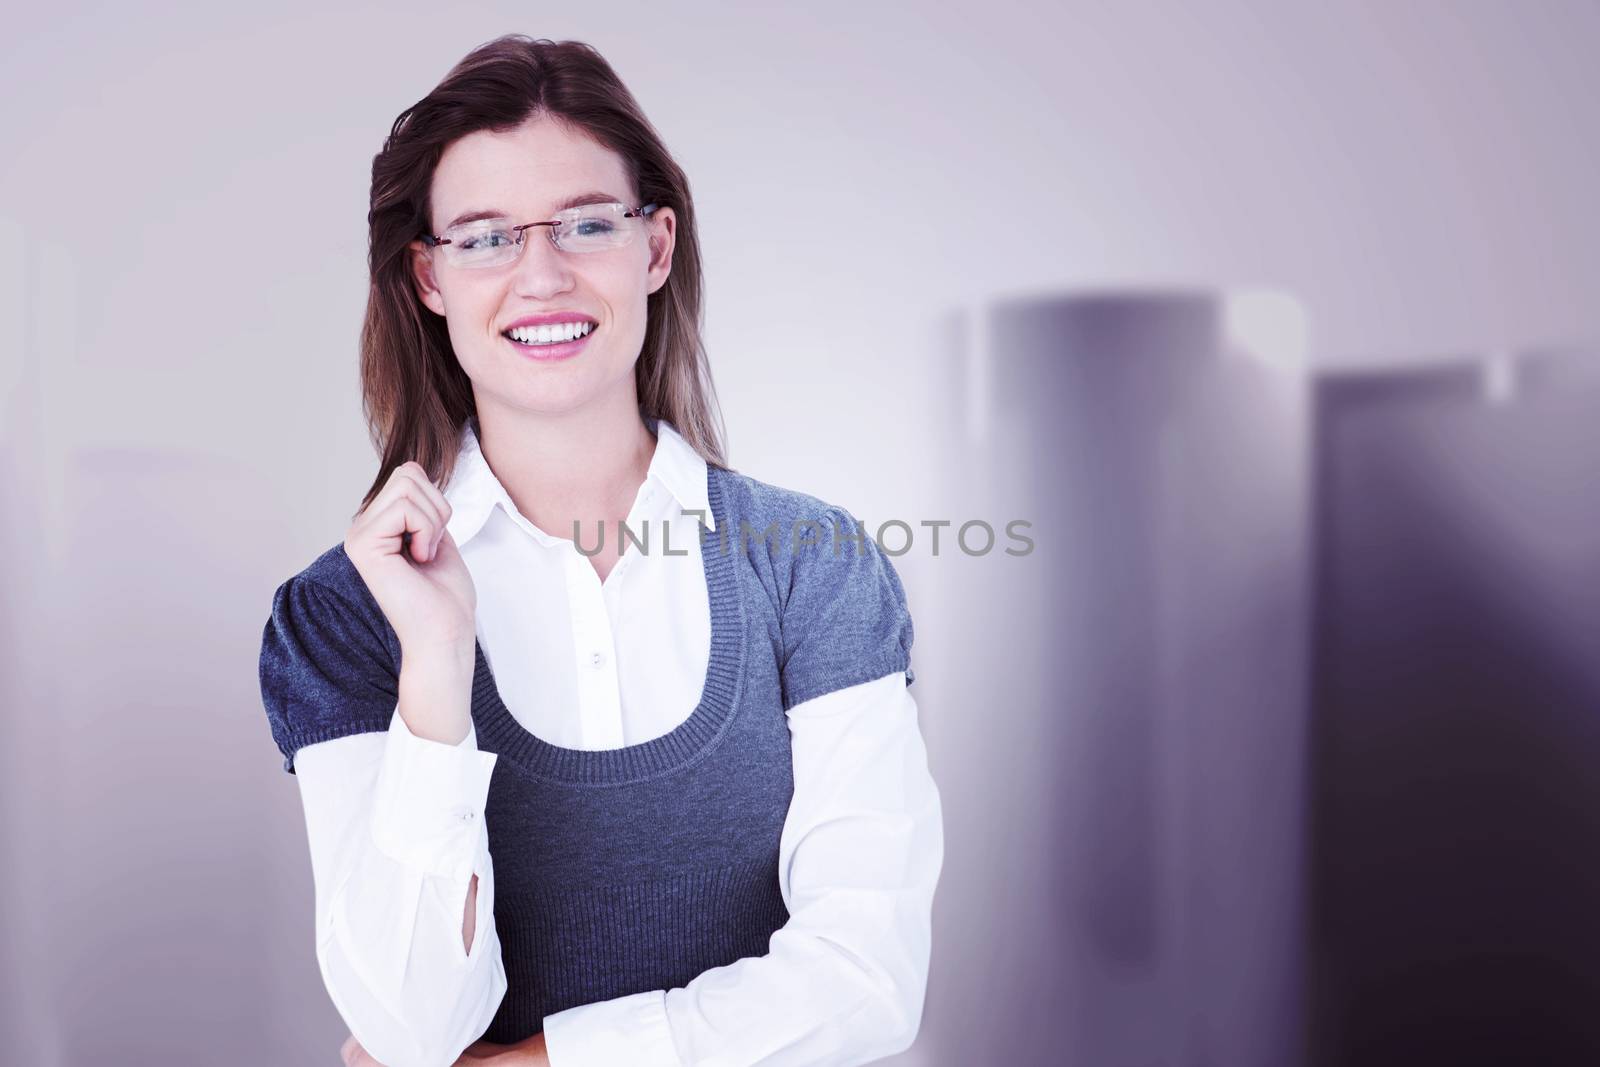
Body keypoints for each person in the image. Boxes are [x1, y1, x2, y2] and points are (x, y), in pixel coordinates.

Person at [257, 34, 943, 1067]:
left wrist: (533, 1064)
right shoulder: (346, 616)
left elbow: (865, 981)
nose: (541, 275)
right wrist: (435, 669)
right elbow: (411, 1028)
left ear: (655, 247)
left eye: (585, 223)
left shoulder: (813, 564)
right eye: (484, 238)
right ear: (429, 277)